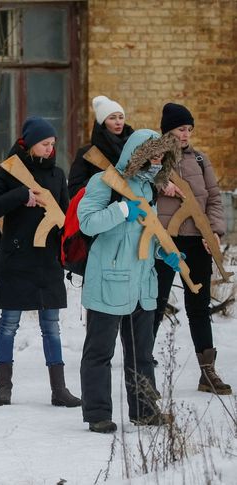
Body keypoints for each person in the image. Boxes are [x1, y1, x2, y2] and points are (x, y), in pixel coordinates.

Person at [78, 129, 181, 433]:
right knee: (100, 351)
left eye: (162, 155)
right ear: (138, 153)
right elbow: (87, 223)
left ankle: (145, 411)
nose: (157, 159)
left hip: (141, 284)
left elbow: (145, 235)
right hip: (108, 281)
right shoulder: (103, 183)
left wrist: (166, 254)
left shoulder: (149, 188)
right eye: (152, 153)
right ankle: (98, 414)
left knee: (142, 354)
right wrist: (122, 208)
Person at [0, 117, 81, 408]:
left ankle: (59, 389)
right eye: (44, 144)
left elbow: (64, 216)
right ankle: (4, 387)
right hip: (16, 259)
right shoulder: (9, 170)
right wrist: (19, 195)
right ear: (30, 143)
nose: (50, 149)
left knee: (51, 326)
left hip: (47, 260)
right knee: (8, 325)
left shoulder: (56, 175)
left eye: (53, 144)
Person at [154, 103, 231, 395]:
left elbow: (213, 198)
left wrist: (213, 232)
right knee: (155, 304)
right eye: (180, 129)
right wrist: (161, 183)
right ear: (167, 130)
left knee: (198, 306)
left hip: (197, 242)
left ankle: (207, 372)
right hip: (164, 241)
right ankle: (143, 376)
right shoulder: (154, 156)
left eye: (189, 129)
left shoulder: (200, 159)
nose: (185, 134)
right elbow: (136, 182)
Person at [68, 95, 134, 198]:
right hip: (101, 210)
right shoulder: (87, 153)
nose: (118, 122)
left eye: (121, 117)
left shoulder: (134, 149)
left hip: (133, 209)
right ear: (103, 123)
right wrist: (99, 182)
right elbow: (73, 191)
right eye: (112, 118)